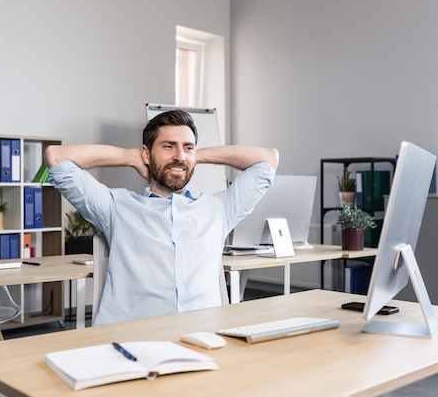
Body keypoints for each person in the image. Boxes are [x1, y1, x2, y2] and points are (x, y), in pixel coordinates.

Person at [45, 109, 279, 325]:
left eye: (188, 147)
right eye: (169, 146)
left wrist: (195, 156)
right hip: (133, 341)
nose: (179, 156)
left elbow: (268, 160)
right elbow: (56, 158)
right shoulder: (117, 207)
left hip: (202, 336)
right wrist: (130, 156)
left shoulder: (218, 208)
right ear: (147, 153)